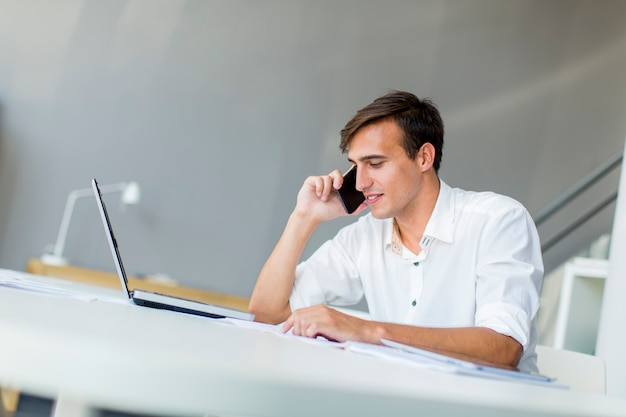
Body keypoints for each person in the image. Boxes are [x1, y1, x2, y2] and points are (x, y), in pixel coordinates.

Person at [248, 90, 543, 373]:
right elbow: (267, 312)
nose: (361, 182)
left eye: (375, 163)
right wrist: (304, 217)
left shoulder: (499, 220)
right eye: (355, 166)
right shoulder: (366, 235)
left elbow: (504, 349)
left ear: (424, 158)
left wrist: (366, 331)